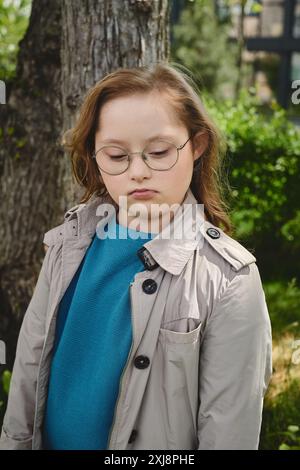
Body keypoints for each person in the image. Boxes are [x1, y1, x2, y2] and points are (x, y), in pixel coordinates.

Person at [0, 62, 272, 450]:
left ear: (196, 145)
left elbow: (229, 433)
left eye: (159, 152)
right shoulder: (67, 245)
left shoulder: (229, 279)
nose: (138, 172)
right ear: (94, 156)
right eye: (115, 155)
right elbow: (27, 373)